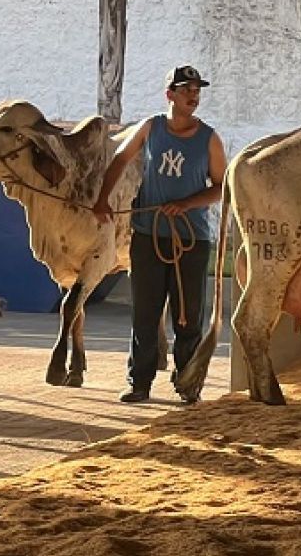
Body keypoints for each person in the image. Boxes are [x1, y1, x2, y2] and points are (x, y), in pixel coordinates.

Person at [92, 65, 228, 404]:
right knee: (145, 313)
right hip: (148, 235)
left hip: (192, 238)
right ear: (170, 94)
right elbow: (120, 160)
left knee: (188, 315)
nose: (193, 96)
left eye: (196, 90)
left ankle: (188, 382)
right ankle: (139, 382)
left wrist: (186, 204)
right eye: (186, 90)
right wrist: (102, 199)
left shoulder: (209, 138)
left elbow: (222, 187)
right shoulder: (150, 128)